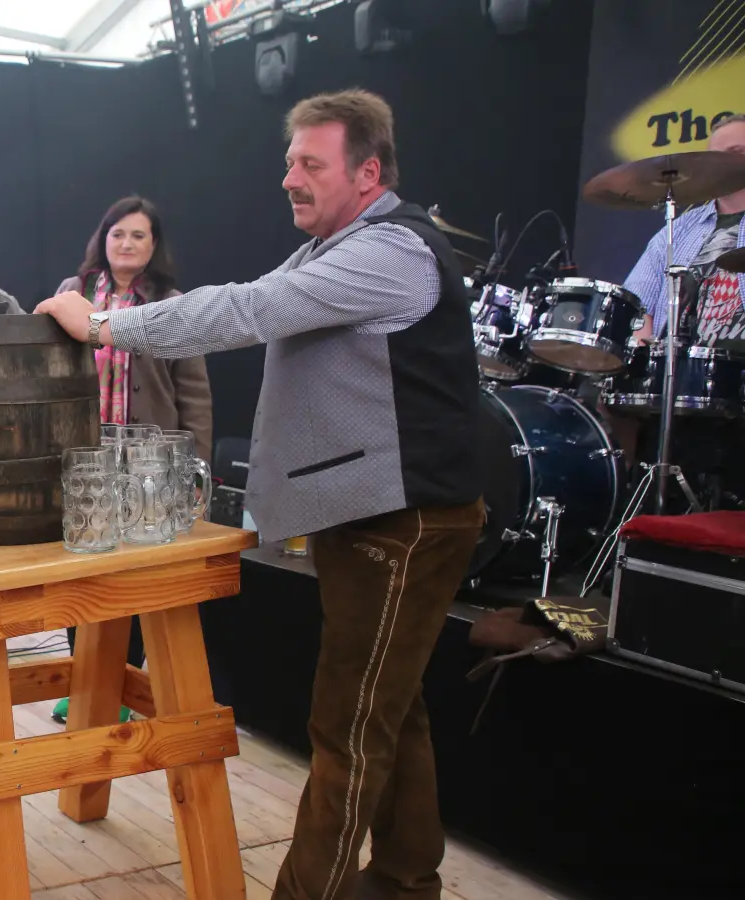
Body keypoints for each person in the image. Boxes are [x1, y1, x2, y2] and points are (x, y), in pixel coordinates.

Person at [37, 89, 486, 900]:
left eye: (310, 163)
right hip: (371, 511)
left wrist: (103, 327)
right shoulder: (333, 246)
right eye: (289, 162)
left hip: (408, 519)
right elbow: (246, 297)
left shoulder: (393, 251)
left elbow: (244, 309)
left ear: (368, 171)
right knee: (392, 704)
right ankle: (407, 879)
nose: (289, 178)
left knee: (349, 725)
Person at [51, 196, 213, 725]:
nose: (126, 244)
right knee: (83, 571)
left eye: (138, 236)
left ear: (154, 245)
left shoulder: (173, 301)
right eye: (117, 233)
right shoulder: (73, 294)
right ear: (103, 238)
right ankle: (82, 683)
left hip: (149, 461)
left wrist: (197, 471)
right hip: (88, 458)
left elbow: (195, 392)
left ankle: (119, 685)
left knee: (136, 574)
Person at [624, 113, 745, 350]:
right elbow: (636, 306)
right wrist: (645, 364)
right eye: (715, 157)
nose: (722, 163)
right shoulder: (676, 230)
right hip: (677, 375)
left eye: (736, 152)